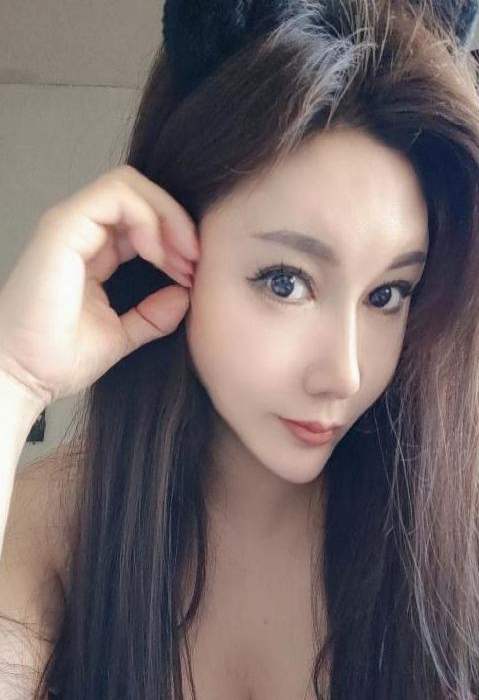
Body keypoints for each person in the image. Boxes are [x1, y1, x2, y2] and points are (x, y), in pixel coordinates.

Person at [1, 0, 479, 698]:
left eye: (387, 294)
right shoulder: (56, 526)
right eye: (286, 282)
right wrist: (13, 377)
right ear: (168, 243)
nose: (344, 373)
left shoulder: (446, 541)